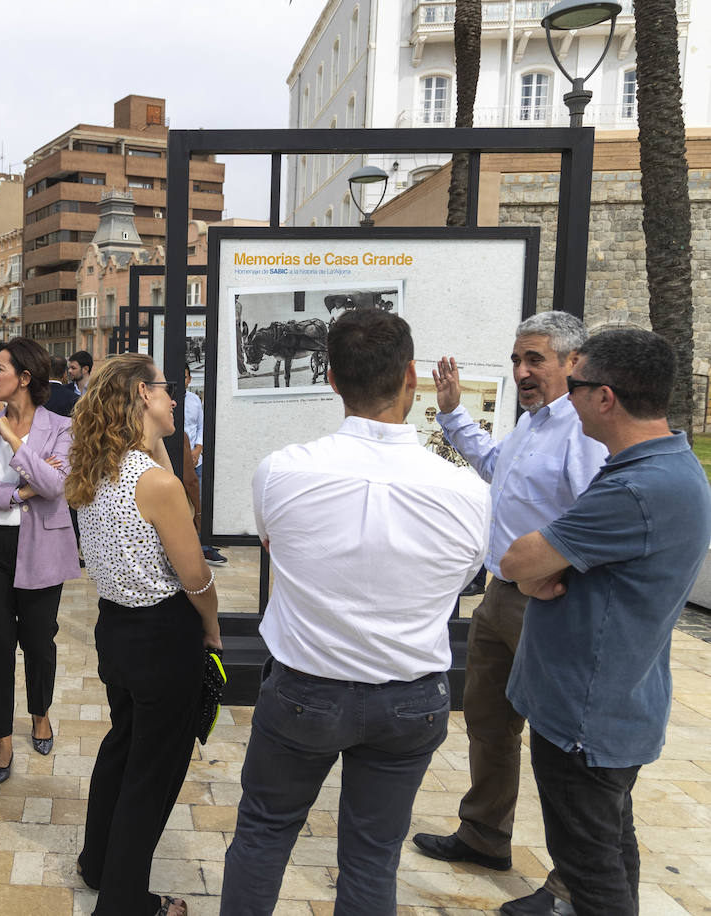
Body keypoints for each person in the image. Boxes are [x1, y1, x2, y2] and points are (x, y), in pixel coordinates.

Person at [221, 310, 490, 915]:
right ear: (412, 378)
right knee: (372, 859)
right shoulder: (469, 492)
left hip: (304, 690)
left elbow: (273, 545)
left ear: (333, 379)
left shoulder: (282, 471)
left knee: (263, 836)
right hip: (411, 697)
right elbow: (467, 574)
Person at [499, 328, 711, 916]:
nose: (568, 399)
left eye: (577, 385)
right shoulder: (666, 464)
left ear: (606, 397)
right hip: (610, 707)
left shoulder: (637, 488)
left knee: (592, 872)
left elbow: (519, 561)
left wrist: (533, 573)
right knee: (609, 847)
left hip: (584, 718)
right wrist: (540, 572)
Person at [412, 311, 606, 916]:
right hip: (501, 597)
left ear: (574, 364)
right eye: (517, 360)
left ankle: (572, 882)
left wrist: (561, 570)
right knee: (490, 723)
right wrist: (451, 414)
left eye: (535, 360)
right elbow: (499, 470)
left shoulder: (584, 433)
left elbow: (599, 519)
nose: (522, 372)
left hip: (548, 605)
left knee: (560, 743)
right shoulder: (534, 424)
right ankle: (484, 835)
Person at [68, 354, 222, 916]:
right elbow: (196, 576)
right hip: (163, 635)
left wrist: (158, 444)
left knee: (124, 746)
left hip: (117, 629)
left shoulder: (95, 469)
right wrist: (212, 627)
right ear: (140, 395)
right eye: (166, 388)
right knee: (152, 773)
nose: (175, 398)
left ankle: (97, 861)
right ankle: (126, 900)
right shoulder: (155, 484)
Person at [0, 337, 80, 784]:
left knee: (40, 641)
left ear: (25, 377)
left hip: (42, 544)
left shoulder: (61, 427)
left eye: (0, 368)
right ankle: (2, 739)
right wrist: (12, 491)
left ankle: (40, 711)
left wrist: (11, 437)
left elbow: (54, 486)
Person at [183, 364, 226, 566]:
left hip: (195, 460)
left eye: (185, 377)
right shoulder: (163, 401)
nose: (183, 380)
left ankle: (203, 547)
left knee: (199, 504)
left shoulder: (194, 400)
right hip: (175, 462)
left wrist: (198, 448)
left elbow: (201, 426)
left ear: (189, 379)